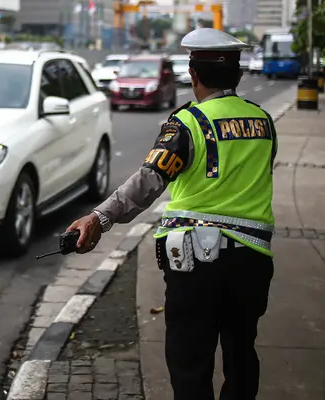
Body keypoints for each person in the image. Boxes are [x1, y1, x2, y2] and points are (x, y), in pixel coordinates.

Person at [66, 28, 277, 400]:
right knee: (242, 354)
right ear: (239, 75)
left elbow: (149, 181)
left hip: (197, 264)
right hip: (253, 262)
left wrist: (98, 218)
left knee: (189, 360)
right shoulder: (263, 122)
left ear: (193, 75)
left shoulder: (188, 123)